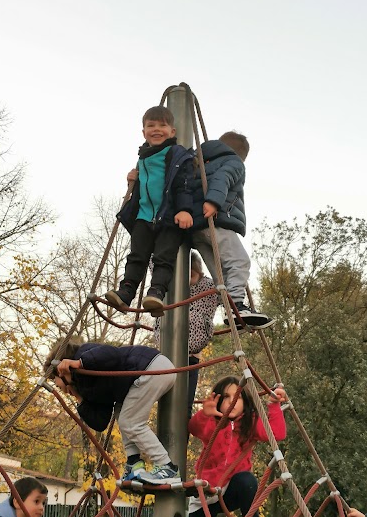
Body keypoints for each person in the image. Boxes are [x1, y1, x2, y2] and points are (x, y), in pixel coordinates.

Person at [44, 339, 181, 486]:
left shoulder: (84, 354)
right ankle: (134, 464)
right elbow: (100, 422)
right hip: (148, 373)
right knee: (120, 411)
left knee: (130, 422)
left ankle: (166, 467)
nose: (57, 386)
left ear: (62, 369)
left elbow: (111, 354)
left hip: (151, 368)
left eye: (54, 380)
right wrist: (80, 399)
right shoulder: (85, 387)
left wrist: (79, 363)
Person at [105, 105, 194, 316]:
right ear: (143, 132)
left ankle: (156, 293)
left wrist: (184, 210)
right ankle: (126, 291)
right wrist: (132, 180)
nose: (156, 129)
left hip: (169, 217)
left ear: (172, 132)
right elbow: (145, 186)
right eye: (150, 125)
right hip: (144, 217)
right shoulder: (143, 157)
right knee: (136, 256)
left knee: (163, 257)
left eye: (162, 125)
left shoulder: (176, 154)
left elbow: (184, 185)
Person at [186, 376, 287, 517]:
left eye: (237, 397)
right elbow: (194, 429)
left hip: (230, 491)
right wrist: (204, 414)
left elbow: (277, 434)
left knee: (247, 481)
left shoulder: (250, 422)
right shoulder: (213, 422)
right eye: (226, 397)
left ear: (245, 401)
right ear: (218, 400)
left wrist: (274, 405)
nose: (231, 402)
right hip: (206, 492)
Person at [190, 131, 273, 328]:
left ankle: (229, 305)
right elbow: (223, 178)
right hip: (216, 220)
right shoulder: (233, 162)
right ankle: (236, 304)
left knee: (220, 272)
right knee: (238, 261)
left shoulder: (198, 162)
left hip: (195, 228)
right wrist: (213, 202)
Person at [153, 250, 219, 417]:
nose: (185, 281)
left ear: (199, 272)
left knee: (185, 405)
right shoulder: (169, 283)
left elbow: (226, 291)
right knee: (166, 404)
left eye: (190, 275)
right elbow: (155, 262)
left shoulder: (207, 286)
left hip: (192, 354)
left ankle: (181, 440)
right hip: (166, 351)